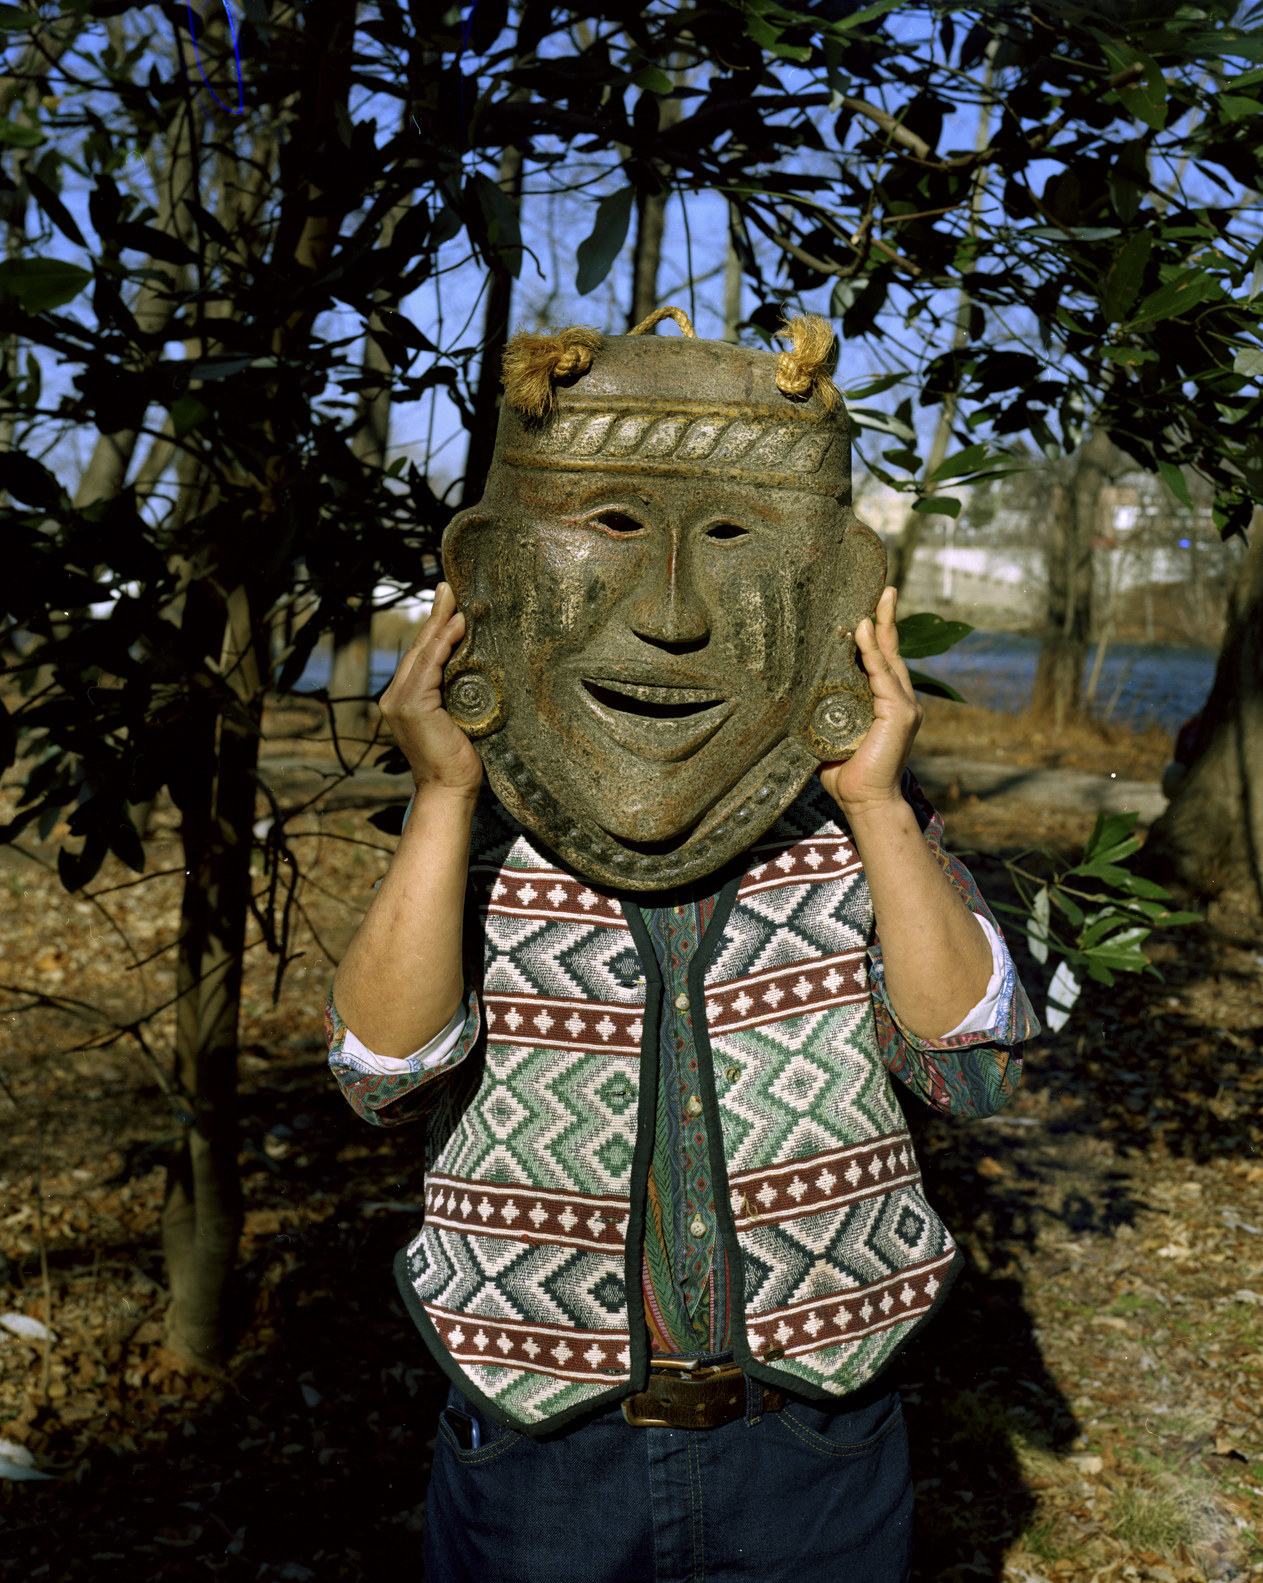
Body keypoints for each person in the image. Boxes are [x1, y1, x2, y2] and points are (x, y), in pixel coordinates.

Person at [323, 312, 1037, 1583]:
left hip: (814, 1448)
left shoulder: (865, 835)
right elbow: (382, 1069)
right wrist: (439, 796)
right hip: (539, 1459)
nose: (668, 615)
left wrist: (876, 804)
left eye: (729, 536)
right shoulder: (480, 843)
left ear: (835, 587)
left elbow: (970, 1068)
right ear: (483, 571)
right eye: (608, 525)